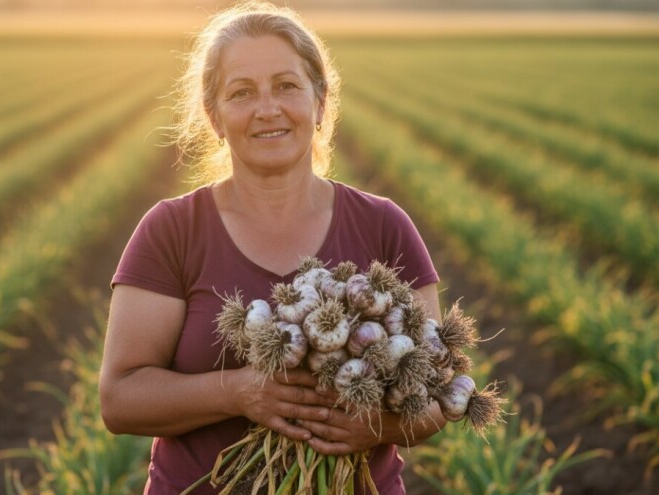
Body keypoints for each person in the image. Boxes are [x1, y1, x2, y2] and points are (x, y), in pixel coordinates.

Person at [99, 2, 446, 493]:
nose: (268, 109)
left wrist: (373, 427)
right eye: (242, 93)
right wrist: (239, 393)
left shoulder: (384, 226)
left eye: (286, 86)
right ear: (215, 117)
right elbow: (119, 400)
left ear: (320, 101)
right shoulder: (171, 230)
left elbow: (435, 396)